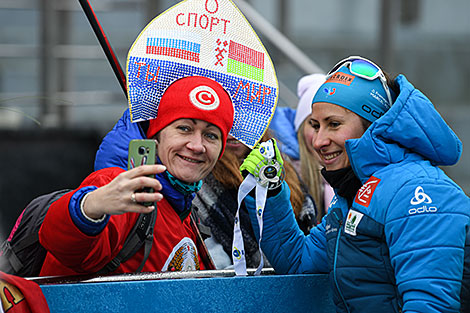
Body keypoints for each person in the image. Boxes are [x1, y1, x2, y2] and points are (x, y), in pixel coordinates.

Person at [240, 56, 470, 312]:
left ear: (374, 125)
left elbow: (430, 307)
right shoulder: (354, 194)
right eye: (315, 126)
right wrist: (270, 189)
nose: (318, 141)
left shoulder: (418, 190)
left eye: (334, 124)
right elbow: (298, 261)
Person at [38, 76, 234, 275]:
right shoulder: (121, 187)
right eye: (184, 128)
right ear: (155, 137)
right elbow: (64, 248)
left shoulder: (182, 207)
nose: (197, 146)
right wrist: (89, 207)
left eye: (211, 135)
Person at [192, 130, 317, 269]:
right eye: (229, 122)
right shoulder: (199, 179)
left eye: (243, 120)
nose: (235, 133)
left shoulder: (279, 164)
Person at [293, 74, 334, 221]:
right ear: (301, 130)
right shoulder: (285, 183)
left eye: (333, 124)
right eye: (314, 125)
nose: (322, 140)